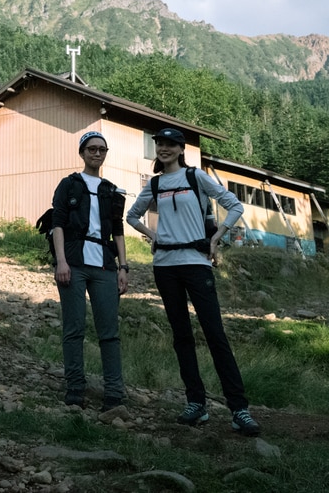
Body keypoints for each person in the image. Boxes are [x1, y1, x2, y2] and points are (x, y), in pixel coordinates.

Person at [125, 127, 262, 436]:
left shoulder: (195, 177)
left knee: (215, 333)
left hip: (197, 264)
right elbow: (132, 216)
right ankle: (195, 404)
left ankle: (239, 409)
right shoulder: (156, 184)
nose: (164, 148)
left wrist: (216, 237)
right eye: (160, 143)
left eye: (171, 144)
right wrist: (153, 236)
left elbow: (234, 205)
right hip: (165, 266)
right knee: (181, 336)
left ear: (181, 149)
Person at [50, 130, 129, 411]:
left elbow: (118, 230)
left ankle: (114, 393)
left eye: (102, 150)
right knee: (74, 329)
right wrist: (61, 261)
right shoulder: (69, 184)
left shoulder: (111, 190)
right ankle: (75, 390)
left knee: (109, 332)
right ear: (82, 152)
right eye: (92, 149)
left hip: (105, 266)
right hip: (74, 262)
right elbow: (57, 222)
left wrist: (123, 267)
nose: (97, 153)